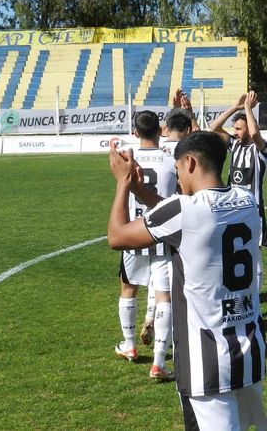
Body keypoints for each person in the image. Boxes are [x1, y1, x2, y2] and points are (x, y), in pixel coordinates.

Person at [108, 131, 267, 431]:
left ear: (190, 162)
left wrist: (123, 185)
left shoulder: (184, 211)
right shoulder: (247, 202)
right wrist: (141, 191)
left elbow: (117, 236)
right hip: (250, 351)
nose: (178, 177)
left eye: (178, 168)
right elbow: (179, 216)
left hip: (206, 361)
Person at [113, 110, 178, 381]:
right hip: (162, 234)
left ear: (136, 133)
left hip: (133, 233)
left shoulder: (128, 161)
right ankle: (159, 362)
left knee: (128, 288)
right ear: (160, 130)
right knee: (165, 297)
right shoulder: (171, 159)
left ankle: (129, 345)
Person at [139, 105, 194, 347]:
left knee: (154, 277)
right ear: (189, 128)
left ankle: (148, 317)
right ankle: (162, 351)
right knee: (169, 286)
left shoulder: (157, 149)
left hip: (142, 221)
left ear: (165, 128)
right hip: (177, 220)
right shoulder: (185, 152)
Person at [209, 91, 267, 291]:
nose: (235, 132)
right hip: (232, 208)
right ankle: (240, 288)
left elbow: (254, 134)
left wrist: (248, 108)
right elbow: (214, 128)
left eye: (239, 128)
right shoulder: (234, 145)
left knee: (254, 252)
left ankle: (257, 297)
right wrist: (235, 107)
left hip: (253, 209)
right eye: (234, 128)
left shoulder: (262, 149)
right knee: (232, 249)